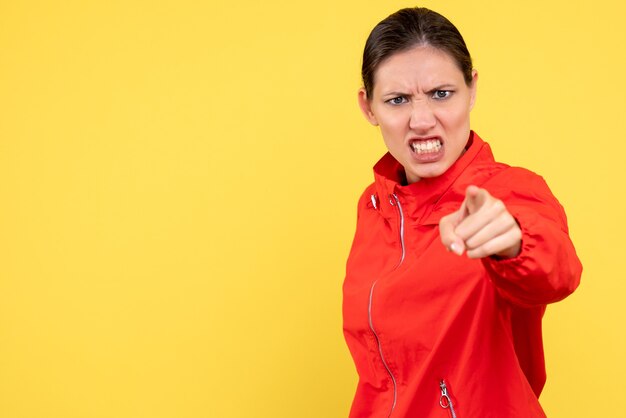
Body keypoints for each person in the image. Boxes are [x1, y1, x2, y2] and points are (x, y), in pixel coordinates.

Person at [342, 7, 582, 418]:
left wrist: (514, 243)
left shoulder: (509, 192)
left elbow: (557, 271)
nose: (421, 120)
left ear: (471, 89)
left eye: (441, 94)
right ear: (369, 108)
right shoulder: (374, 206)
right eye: (397, 100)